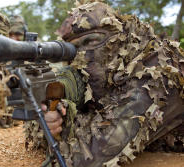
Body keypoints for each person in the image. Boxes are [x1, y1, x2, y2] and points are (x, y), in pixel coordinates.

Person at [25, 1, 184, 167]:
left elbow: (86, 158)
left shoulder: (157, 74)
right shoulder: (109, 78)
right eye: (73, 50)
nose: (81, 58)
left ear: (120, 40)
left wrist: (64, 129)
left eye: (90, 42)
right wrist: (57, 117)